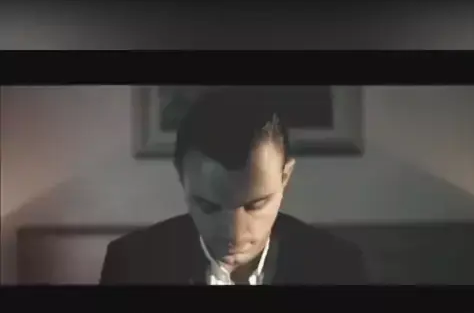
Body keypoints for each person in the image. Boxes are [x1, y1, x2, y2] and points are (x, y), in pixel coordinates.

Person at [100, 87, 367, 285]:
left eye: (255, 205)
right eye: (209, 206)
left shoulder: (339, 269)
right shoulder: (130, 265)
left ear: (285, 178)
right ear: (181, 178)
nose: (234, 235)